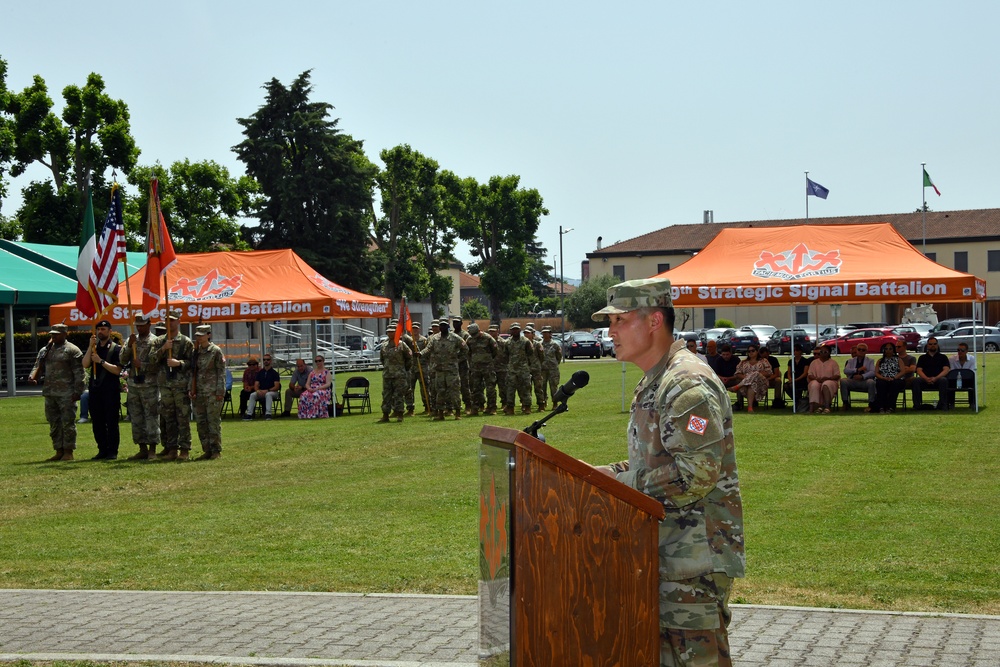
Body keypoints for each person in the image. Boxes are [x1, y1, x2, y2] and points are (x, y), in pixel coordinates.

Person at [590, 278, 744, 667]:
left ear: (655, 320)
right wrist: (598, 474)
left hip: (693, 559)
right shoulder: (656, 380)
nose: (611, 332)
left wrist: (622, 482)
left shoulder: (685, 383)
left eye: (621, 320)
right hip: (667, 552)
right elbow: (656, 462)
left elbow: (696, 474)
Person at [29, 323, 85, 461]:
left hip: (67, 393)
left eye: (57, 334)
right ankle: (58, 450)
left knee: (67, 423)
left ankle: (68, 451)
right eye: (52, 334)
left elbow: (79, 373)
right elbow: (38, 365)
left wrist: (78, 391)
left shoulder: (72, 350)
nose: (53, 336)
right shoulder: (45, 350)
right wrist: (33, 376)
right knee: (54, 423)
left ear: (65, 334)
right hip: (50, 392)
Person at [150, 309, 195, 459]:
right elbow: (150, 360)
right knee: (168, 418)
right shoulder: (159, 341)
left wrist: (179, 363)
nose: (169, 323)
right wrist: (163, 349)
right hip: (165, 384)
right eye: (167, 320)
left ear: (178, 322)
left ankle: (185, 449)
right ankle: (171, 448)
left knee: (182, 418)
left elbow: (192, 363)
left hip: (180, 385)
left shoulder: (186, 342)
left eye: (172, 320)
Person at [119, 314, 161, 460]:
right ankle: (142, 447)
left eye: (142, 325)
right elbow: (122, 359)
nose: (139, 327)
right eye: (137, 325)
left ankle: (152, 449)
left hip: (149, 385)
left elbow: (158, 364)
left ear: (149, 325)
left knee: (151, 417)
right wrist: (129, 346)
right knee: (136, 417)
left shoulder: (155, 341)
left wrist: (142, 365)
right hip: (134, 384)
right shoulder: (132, 340)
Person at [82, 319, 123, 460]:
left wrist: (101, 361)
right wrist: (89, 347)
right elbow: (85, 363)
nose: (100, 332)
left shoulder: (116, 349)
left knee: (111, 422)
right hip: (95, 390)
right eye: (98, 329)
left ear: (110, 331)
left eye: (103, 329)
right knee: (97, 422)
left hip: (110, 390)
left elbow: (118, 370)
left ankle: (112, 451)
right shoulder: (94, 348)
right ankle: (102, 449)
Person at [190, 324, 226, 460]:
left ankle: (216, 450)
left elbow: (221, 372)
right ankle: (207, 450)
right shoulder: (196, 352)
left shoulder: (215, 351)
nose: (199, 338)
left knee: (213, 422)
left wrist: (220, 391)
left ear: (209, 335)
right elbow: (193, 372)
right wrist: (191, 388)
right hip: (199, 392)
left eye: (202, 335)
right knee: (201, 423)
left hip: (212, 392)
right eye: (197, 335)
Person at [420, 320, 467, 420]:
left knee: (454, 391)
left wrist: (458, 358)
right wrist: (420, 354)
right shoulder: (435, 338)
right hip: (439, 370)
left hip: (451, 370)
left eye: (445, 326)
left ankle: (457, 413)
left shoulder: (455, 338)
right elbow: (428, 348)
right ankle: (440, 414)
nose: (443, 327)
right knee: (440, 392)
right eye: (441, 326)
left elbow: (465, 349)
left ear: (448, 326)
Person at [379, 327, 412, 422]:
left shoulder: (402, 345)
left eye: (392, 332)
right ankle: (385, 415)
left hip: (399, 375)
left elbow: (409, 357)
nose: (390, 334)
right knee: (386, 395)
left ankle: (400, 414)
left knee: (399, 395)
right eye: (388, 332)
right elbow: (382, 359)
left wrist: (405, 368)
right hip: (387, 375)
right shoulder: (384, 345)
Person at [466, 322, 499, 416]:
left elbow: (495, 351)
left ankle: (491, 408)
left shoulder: (488, 338)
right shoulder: (470, 339)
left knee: (490, 388)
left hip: (487, 367)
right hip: (475, 368)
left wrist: (487, 360)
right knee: (475, 388)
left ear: (479, 330)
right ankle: (475, 408)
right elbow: (468, 352)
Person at [502, 322, 534, 415]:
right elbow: (505, 355)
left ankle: (527, 406)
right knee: (510, 390)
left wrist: (528, 366)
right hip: (512, 370)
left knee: (525, 389)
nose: (515, 331)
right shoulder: (507, 342)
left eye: (517, 329)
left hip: (523, 369)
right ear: (511, 330)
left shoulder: (526, 341)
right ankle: (510, 408)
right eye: (513, 329)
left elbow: (530, 353)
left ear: (520, 330)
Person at [912, 337, 950, 410]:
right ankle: (917, 405)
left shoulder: (943, 357)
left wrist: (936, 378)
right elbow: (919, 370)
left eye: (935, 344)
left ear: (937, 345)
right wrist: (926, 379)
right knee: (916, 381)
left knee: (944, 380)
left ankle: (943, 405)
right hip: (925, 380)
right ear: (927, 345)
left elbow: (946, 370)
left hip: (938, 380)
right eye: (930, 344)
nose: (933, 345)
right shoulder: (922, 358)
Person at [732, 345, 770, 413]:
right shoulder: (743, 362)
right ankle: (750, 408)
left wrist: (753, 375)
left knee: (756, 374)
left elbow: (769, 372)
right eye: (749, 351)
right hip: (746, 384)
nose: (751, 352)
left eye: (753, 351)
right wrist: (749, 378)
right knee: (752, 383)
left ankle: (737, 387)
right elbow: (737, 374)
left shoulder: (764, 361)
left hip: (761, 383)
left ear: (757, 351)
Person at [839, 342, 876, 412]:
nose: (861, 351)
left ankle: (871, 404)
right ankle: (845, 403)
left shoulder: (870, 361)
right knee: (843, 381)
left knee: (871, 382)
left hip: (865, 381)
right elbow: (846, 370)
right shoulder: (851, 361)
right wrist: (857, 370)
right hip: (853, 380)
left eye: (863, 350)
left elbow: (873, 372)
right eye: (859, 349)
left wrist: (862, 376)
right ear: (857, 350)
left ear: (866, 351)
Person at [244, 354, 281, 420]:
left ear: (271, 361)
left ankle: (268, 414)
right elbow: (256, 385)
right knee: (252, 395)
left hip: (272, 392)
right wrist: (257, 390)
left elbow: (277, 387)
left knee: (268, 394)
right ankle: (249, 414)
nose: (266, 361)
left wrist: (267, 390)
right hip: (261, 391)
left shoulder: (274, 373)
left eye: (268, 359)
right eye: (264, 360)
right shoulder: (260, 373)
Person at [807, 345, 840, 414]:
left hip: (830, 381)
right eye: (821, 352)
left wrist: (828, 378)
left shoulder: (833, 363)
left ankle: (827, 407)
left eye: (825, 352)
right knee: (814, 385)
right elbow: (810, 374)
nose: (822, 353)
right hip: (817, 380)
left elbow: (837, 375)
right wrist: (816, 378)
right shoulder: (814, 362)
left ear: (829, 353)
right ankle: (814, 407)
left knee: (826, 384)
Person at [873, 342, 904, 413]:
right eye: (886, 349)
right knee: (880, 384)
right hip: (883, 379)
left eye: (890, 349)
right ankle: (881, 407)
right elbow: (876, 373)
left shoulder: (898, 360)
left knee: (895, 384)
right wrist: (883, 378)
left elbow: (902, 371)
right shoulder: (880, 361)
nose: (888, 350)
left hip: (896, 379)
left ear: (893, 350)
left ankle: (891, 407)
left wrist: (894, 378)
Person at [539, 327, 563, 408]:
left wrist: (555, 364)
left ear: (550, 334)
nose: (545, 334)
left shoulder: (555, 344)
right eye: (543, 333)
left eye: (547, 333)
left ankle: (555, 403)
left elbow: (559, 356)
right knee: (542, 386)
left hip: (553, 369)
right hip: (542, 369)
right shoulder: (539, 344)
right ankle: (543, 402)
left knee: (554, 387)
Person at [783, 344, 811, 410]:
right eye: (794, 350)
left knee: (795, 386)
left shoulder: (805, 361)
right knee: (786, 386)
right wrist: (790, 378)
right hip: (793, 379)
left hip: (802, 380)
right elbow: (788, 372)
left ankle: (798, 402)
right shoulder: (791, 361)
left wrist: (796, 379)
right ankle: (797, 400)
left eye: (797, 350)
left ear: (801, 351)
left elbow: (805, 373)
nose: (795, 352)